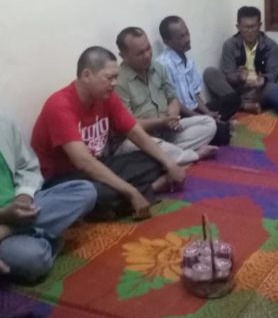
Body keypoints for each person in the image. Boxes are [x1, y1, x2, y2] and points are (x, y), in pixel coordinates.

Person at [31, 47, 185, 221]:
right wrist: (131, 192)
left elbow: (135, 132)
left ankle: (113, 204)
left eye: (116, 77)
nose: (115, 83)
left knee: (154, 160)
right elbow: (84, 162)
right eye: (109, 78)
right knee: (92, 193)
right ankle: (149, 190)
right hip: (64, 179)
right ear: (87, 75)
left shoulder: (107, 97)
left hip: (97, 165)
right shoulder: (60, 105)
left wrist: (169, 163)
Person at [0, 111, 96, 283]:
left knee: (84, 190)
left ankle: (9, 230)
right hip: (6, 217)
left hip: (20, 208)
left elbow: (26, 167)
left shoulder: (3, 122)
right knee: (33, 260)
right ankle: (40, 233)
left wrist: (23, 198)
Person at [115, 27, 218, 165]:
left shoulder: (158, 68)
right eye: (140, 53)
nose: (147, 55)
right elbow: (129, 125)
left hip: (167, 131)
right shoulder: (118, 82)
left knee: (208, 123)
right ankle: (192, 155)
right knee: (133, 145)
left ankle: (164, 157)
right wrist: (161, 122)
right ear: (123, 56)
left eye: (148, 48)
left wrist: (172, 119)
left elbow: (173, 98)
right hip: (141, 138)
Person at [157, 16, 240, 146]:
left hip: (195, 110)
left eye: (187, 33)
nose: (187, 39)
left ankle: (215, 124)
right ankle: (219, 127)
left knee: (234, 99)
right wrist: (200, 117)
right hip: (181, 116)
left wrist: (207, 112)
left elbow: (195, 95)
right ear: (167, 42)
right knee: (222, 135)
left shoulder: (188, 60)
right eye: (181, 37)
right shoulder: (163, 65)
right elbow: (174, 103)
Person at [203, 6, 278, 114]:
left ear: (260, 25)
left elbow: (274, 74)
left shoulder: (270, 45)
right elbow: (228, 74)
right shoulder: (230, 45)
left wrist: (263, 80)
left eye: (253, 27)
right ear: (238, 27)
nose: (250, 31)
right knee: (210, 73)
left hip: (259, 90)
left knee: (275, 89)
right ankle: (244, 105)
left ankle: (237, 104)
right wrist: (238, 77)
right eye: (245, 27)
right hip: (236, 90)